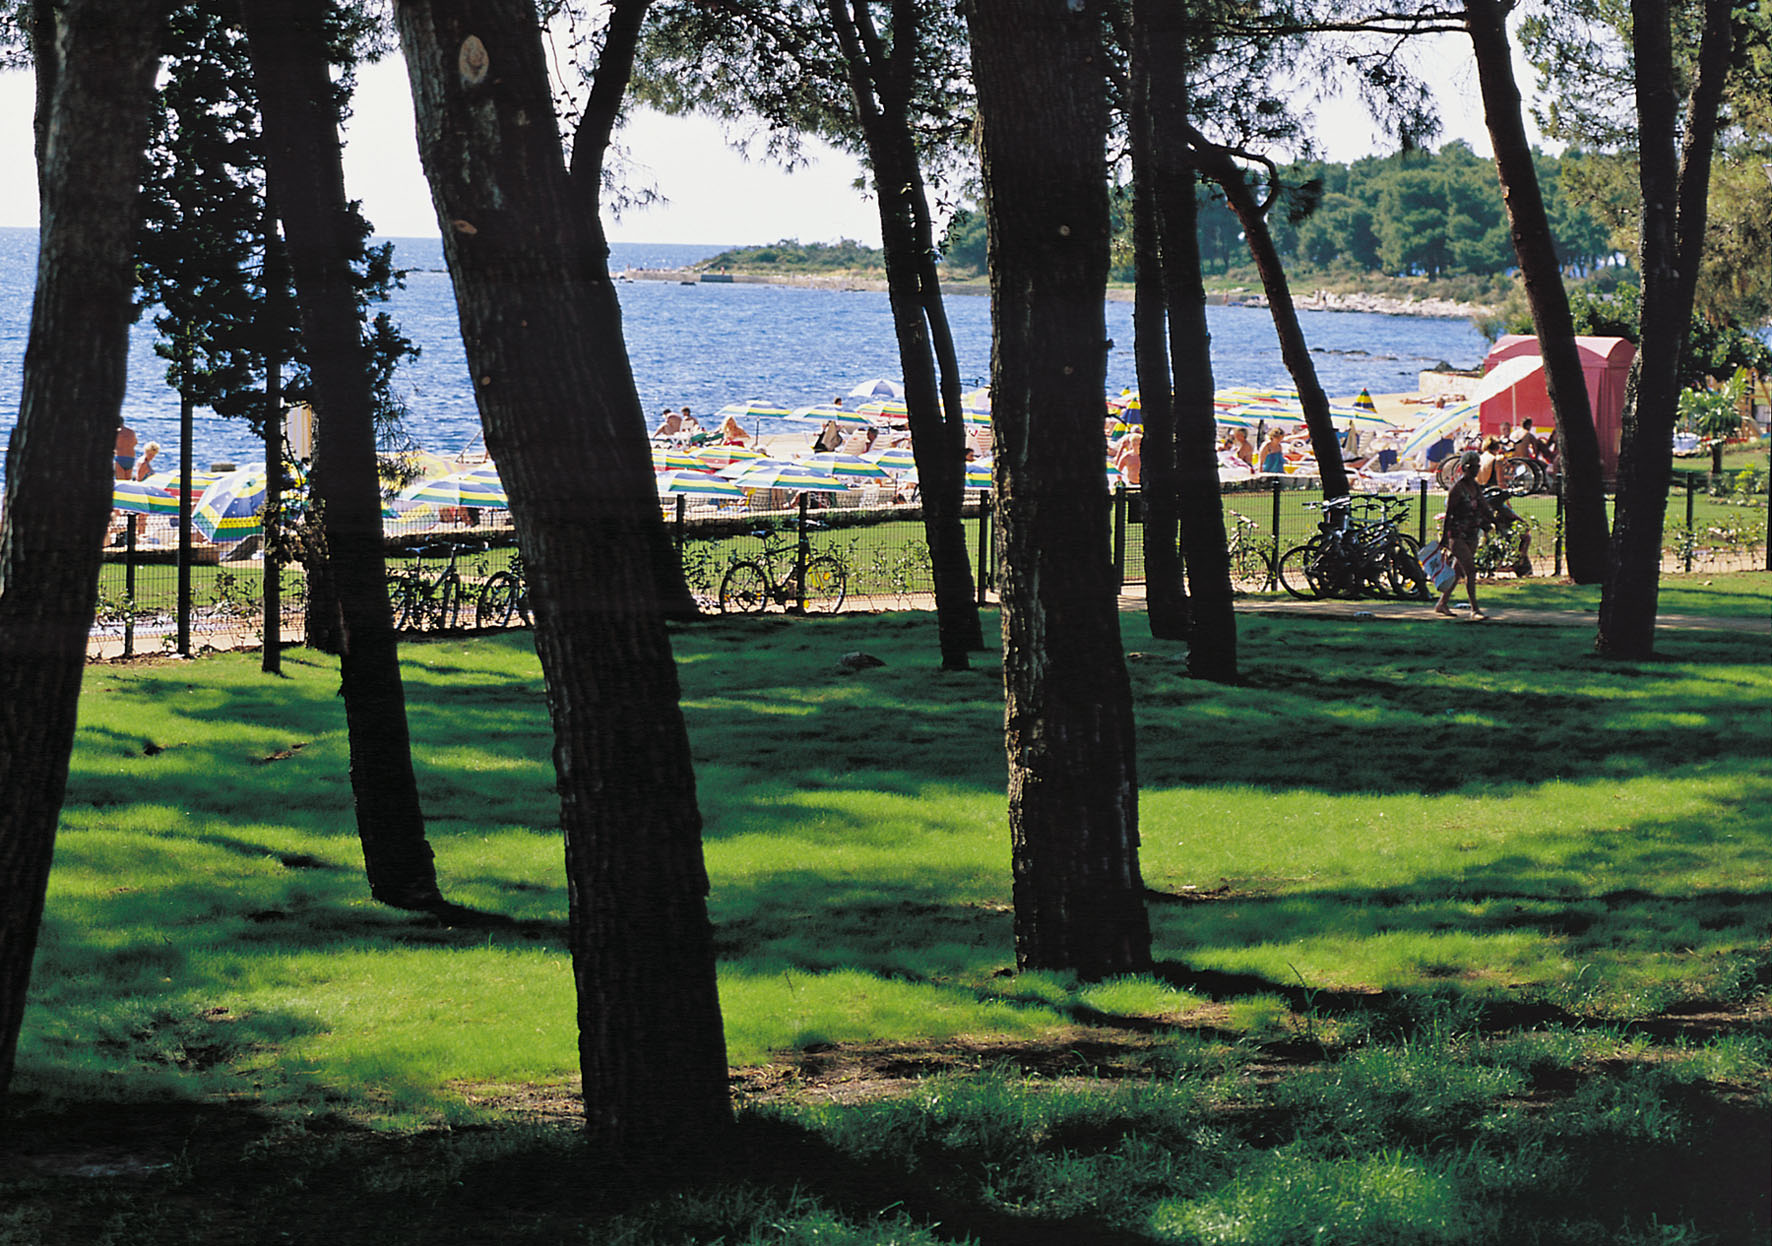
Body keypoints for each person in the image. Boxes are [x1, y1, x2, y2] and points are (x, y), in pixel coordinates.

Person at [1435, 450, 1493, 618]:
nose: (1475, 470)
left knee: (1457, 571)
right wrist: (1445, 538)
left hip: (1472, 533)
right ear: (1464, 468)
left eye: (1477, 467)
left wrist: (1493, 521)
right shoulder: (1457, 489)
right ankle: (1474, 609)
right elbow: (1449, 514)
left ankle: (1442, 603)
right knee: (1470, 570)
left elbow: (1483, 507)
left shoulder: (1475, 487)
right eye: (1472, 467)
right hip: (1458, 535)